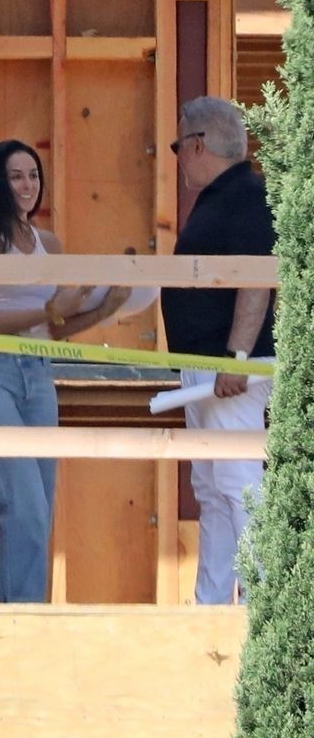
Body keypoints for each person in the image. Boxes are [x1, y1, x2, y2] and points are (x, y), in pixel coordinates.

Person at [0, 140, 131, 603]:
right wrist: (53, 308)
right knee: (26, 508)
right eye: (16, 176)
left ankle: (16, 615)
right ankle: (15, 621)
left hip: (37, 375)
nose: (27, 185)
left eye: (33, 175)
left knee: (38, 510)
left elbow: (52, 329)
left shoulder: (48, 244)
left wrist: (105, 308)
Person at [161, 95, 275, 605]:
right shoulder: (223, 197)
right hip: (209, 370)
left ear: (197, 144)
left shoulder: (244, 195)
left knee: (237, 484)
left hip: (229, 370)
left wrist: (237, 358)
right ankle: (210, 605)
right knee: (212, 488)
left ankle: (260, 605)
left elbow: (256, 279)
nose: (178, 158)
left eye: (176, 147)